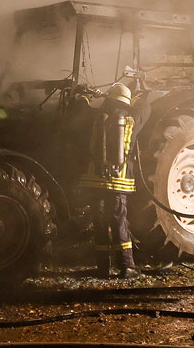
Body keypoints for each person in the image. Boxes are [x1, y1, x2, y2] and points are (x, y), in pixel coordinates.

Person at [78, 82, 150, 278]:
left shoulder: (97, 119)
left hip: (95, 180)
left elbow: (83, 108)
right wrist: (138, 97)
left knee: (100, 222)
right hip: (118, 181)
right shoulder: (131, 120)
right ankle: (127, 267)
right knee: (119, 221)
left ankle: (102, 268)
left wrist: (84, 96)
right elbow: (145, 109)